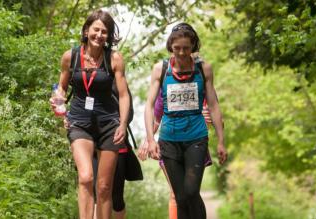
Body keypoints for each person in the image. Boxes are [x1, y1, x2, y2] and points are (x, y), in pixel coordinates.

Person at [50, 9, 129, 219]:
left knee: (104, 186)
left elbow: (123, 95)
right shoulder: (71, 57)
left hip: (108, 125)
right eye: (96, 30)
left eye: (105, 32)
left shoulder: (114, 58)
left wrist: (122, 125)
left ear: (109, 36)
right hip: (79, 122)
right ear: (86, 30)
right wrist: (57, 100)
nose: (99, 35)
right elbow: (61, 88)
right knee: (85, 177)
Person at [144, 22, 228, 219]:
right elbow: (149, 106)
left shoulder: (203, 69)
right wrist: (150, 139)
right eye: (177, 48)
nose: (181, 53)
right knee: (180, 198)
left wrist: (221, 141)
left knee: (190, 191)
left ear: (193, 47)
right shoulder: (161, 69)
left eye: (186, 48)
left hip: (196, 138)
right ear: (170, 46)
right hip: (169, 140)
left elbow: (214, 105)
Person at [138, 90, 213, 219]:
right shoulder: (166, 85)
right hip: (170, 145)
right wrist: (147, 140)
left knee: (192, 193)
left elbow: (218, 119)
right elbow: (156, 119)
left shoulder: (200, 80)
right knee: (176, 194)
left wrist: (211, 119)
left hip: (194, 144)